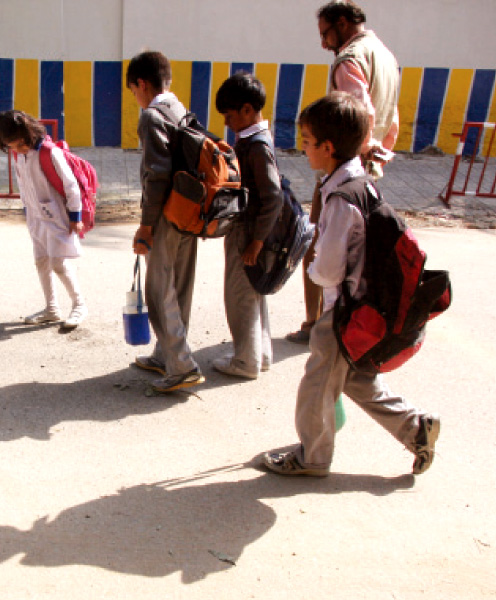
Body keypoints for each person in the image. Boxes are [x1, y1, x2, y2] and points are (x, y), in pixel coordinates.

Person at [263, 92, 440, 477]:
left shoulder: (341, 199)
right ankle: (416, 427)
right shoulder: (359, 182)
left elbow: (326, 270)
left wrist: (311, 272)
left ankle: (312, 458)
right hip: (363, 307)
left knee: (316, 386)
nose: (303, 149)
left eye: (308, 142)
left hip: (343, 312)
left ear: (327, 148)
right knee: (357, 380)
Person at [287, 0, 400, 345]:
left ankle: (315, 323)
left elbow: (356, 113)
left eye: (325, 34)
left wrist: (353, 150)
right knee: (356, 249)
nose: (323, 43)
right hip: (371, 167)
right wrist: (379, 151)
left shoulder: (349, 60)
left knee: (319, 244)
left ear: (342, 23)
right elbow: (391, 117)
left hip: (345, 163)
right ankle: (350, 319)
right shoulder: (385, 55)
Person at [126, 50, 204, 393]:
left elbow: (156, 175)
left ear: (141, 84)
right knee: (181, 286)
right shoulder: (180, 108)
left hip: (166, 215)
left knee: (159, 291)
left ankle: (181, 364)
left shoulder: (151, 116)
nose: (135, 98)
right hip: (190, 211)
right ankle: (166, 354)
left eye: (133, 91)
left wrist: (146, 224)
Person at [212, 72, 283, 379]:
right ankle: (260, 354)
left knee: (240, 296)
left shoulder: (256, 146)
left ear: (247, 110)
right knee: (255, 293)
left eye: (230, 115)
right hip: (254, 232)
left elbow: (274, 197)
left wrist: (255, 241)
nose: (227, 122)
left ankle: (245, 361)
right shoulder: (254, 140)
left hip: (250, 235)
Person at [0, 110, 87, 329]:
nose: (15, 150)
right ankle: (51, 308)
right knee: (41, 262)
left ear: (27, 134)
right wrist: (27, 210)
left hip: (56, 216)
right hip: (35, 216)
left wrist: (76, 216)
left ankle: (79, 305)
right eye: (11, 147)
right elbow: (23, 183)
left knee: (58, 263)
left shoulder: (49, 152)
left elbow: (71, 185)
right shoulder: (20, 155)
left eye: (18, 144)